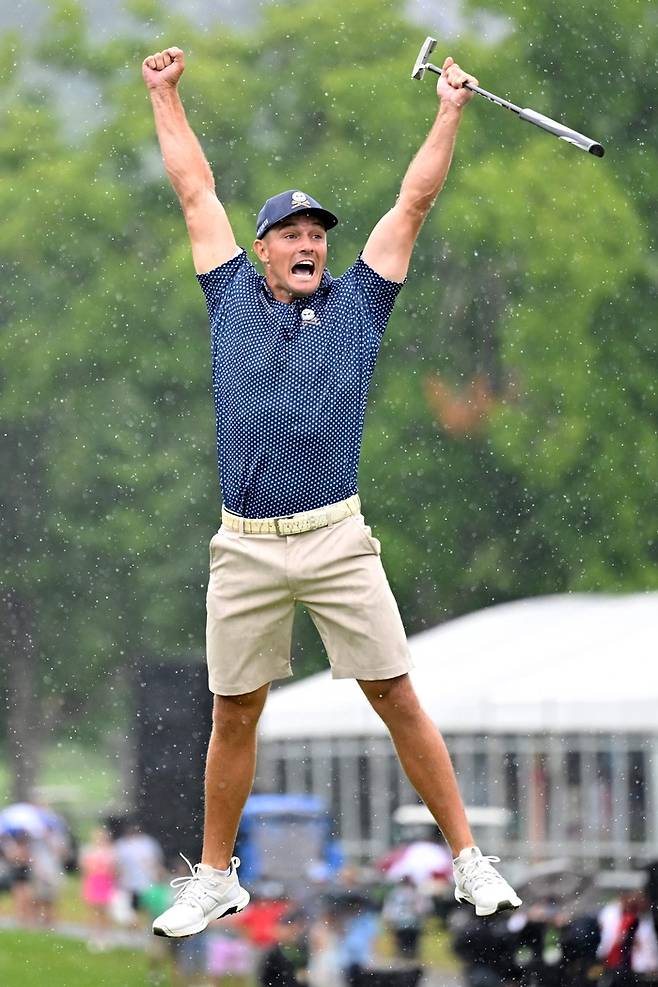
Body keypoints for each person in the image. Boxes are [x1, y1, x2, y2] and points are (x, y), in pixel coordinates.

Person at [141, 44, 521, 939]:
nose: (311, 242)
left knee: (394, 693)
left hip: (335, 536)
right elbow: (196, 187)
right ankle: (217, 876)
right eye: (294, 233)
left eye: (319, 233)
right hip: (245, 541)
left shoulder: (360, 304)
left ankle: (468, 856)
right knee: (234, 710)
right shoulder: (230, 292)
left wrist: (450, 113)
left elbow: (414, 201)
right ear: (263, 248)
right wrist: (163, 94)